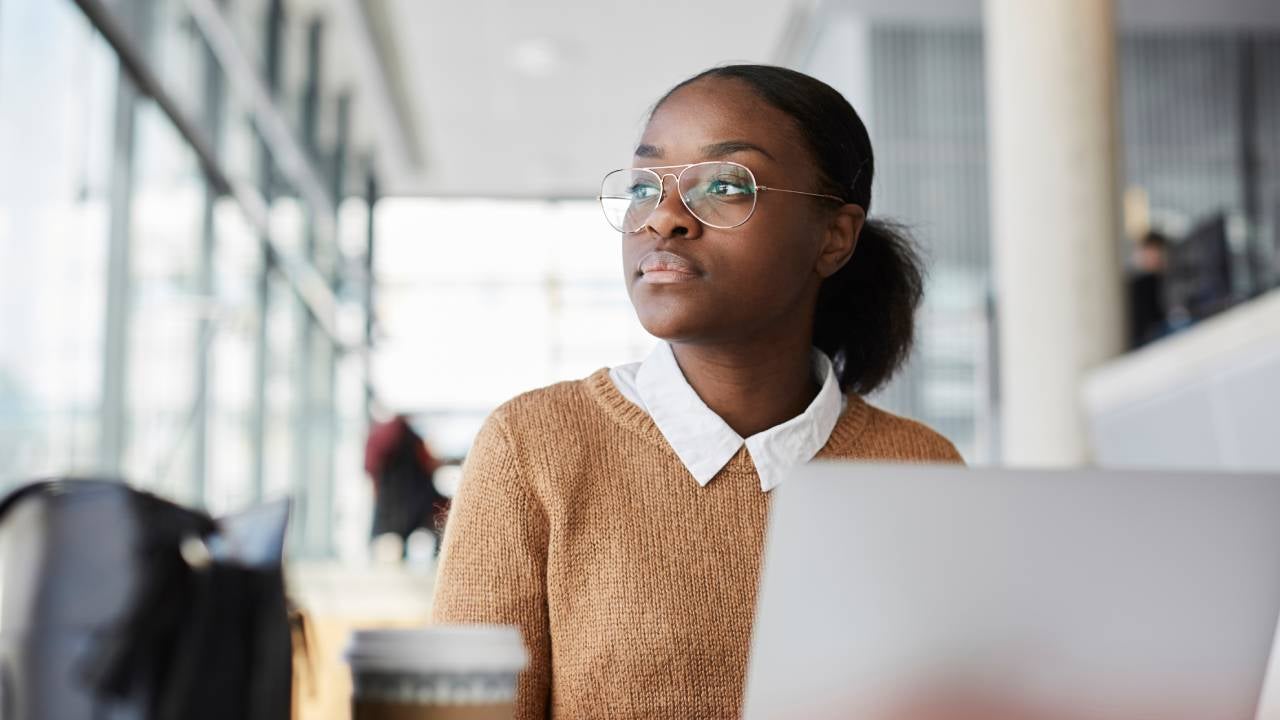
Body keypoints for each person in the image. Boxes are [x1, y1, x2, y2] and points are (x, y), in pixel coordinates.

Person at [431, 64, 963, 719]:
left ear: (834, 237)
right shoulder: (532, 447)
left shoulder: (921, 469)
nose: (664, 218)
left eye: (724, 185)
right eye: (643, 186)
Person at [363, 414, 448, 556]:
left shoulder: (387, 441)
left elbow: (369, 470)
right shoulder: (411, 443)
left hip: (391, 524)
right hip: (404, 520)